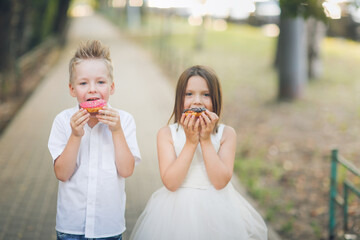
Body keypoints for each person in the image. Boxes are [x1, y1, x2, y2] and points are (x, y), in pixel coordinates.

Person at [130, 65, 267, 240]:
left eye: (206, 94)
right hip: (174, 212)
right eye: (189, 94)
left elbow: (220, 181)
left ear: (216, 99)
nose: (197, 101)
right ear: (179, 99)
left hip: (218, 210)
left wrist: (206, 140)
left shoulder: (226, 134)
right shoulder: (166, 134)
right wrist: (191, 142)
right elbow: (171, 183)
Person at [48, 40, 141, 240]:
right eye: (83, 83)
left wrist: (116, 131)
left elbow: (127, 170)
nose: (92, 89)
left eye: (100, 82)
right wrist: (75, 136)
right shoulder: (63, 122)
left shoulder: (124, 121)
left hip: (108, 227)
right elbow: (62, 174)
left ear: (112, 87)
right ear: (72, 89)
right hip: (70, 227)